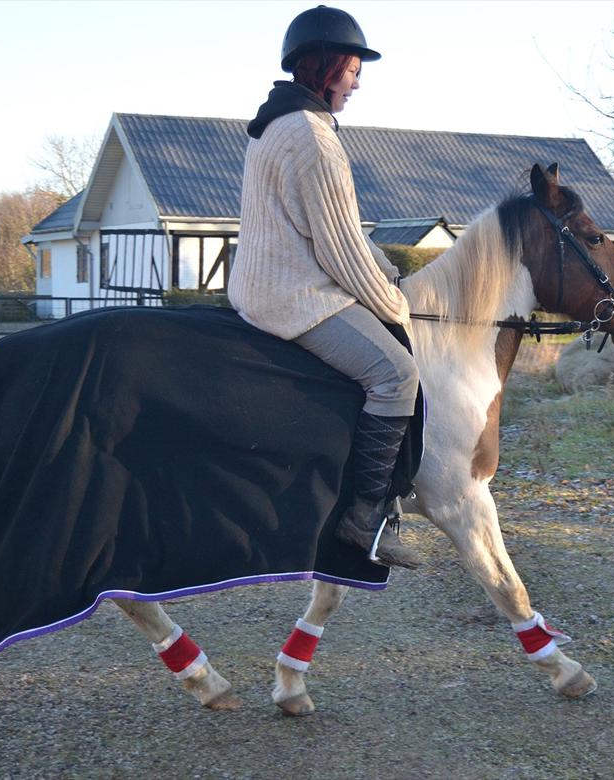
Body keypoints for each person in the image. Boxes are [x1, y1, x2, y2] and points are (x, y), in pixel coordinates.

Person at [228, 5, 420, 569]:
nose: (359, 82)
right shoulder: (312, 138)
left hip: (266, 285)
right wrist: (394, 305)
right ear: (327, 66)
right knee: (397, 374)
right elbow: (337, 251)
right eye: (354, 69)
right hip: (296, 298)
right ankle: (363, 522)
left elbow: (334, 230)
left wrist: (382, 264)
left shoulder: (277, 125)